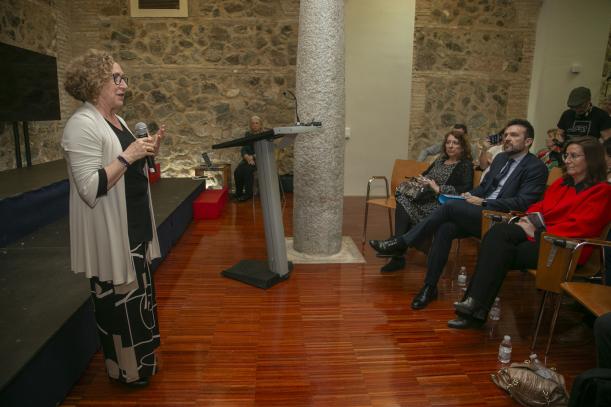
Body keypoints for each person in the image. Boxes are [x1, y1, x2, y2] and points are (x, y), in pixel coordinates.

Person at [61, 49, 163, 387]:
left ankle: (143, 362)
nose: (124, 85)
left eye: (124, 78)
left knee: (138, 301)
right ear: (95, 83)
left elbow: (128, 165)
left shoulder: (117, 121)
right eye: (116, 78)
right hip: (110, 232)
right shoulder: (81, 125)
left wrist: (147, 151)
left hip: (133, 226)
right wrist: (128, 154)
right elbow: (90, 187)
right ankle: (126, 371)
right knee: (118, 306)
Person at [369, 119, 548, 310]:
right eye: (506, 135)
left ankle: (402, 242)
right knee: (445, 227)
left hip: (502, 218)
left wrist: (484, 201)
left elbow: (523, 202)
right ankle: (429, 287)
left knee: (450, 207)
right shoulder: (501, 159)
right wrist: (471, 195)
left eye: (514, 135)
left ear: (528, 141)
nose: (507, 139)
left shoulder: (536, 168)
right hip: (480, 211)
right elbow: (485, 187)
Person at [449, 137, 611, 329]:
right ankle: (475, 307)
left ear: (591, 160)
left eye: (574, 156)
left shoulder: (602, 191)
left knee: (498, 251)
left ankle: (474, 306)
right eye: (566, 155)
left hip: (564, 248)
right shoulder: (562, 184)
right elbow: (539, 206)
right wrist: (527, 219)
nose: (567, 160)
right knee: (498, 233)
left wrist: (538, 230)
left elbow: (581, 227)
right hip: (539, 235)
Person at [382, 130, 474, 272]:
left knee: (404, 203)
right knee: (402, 195)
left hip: (441, 203)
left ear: (462, 147)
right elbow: (426, 174)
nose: (450, 146)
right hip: (425, 198)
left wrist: (438, 188)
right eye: (448, 142)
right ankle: (400, 248)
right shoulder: (440, 159)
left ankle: (398, 252)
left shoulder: (465, 165)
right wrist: (422, 180)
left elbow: (466, 189)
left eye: (455, 143)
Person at [233, 115, 263, 202]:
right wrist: (246, 156)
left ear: (260, 125)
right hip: (247, 159)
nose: (255, 125)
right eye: (253, 123)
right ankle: (238, 193)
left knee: (247, 171)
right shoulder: (248, 135)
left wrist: (252, 157)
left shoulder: (264, 136)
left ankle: (248, 194)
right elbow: (244, 148)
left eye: (257, 123)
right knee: (237, 171)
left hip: (259, 160)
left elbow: (263, 150)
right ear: (250, 125)